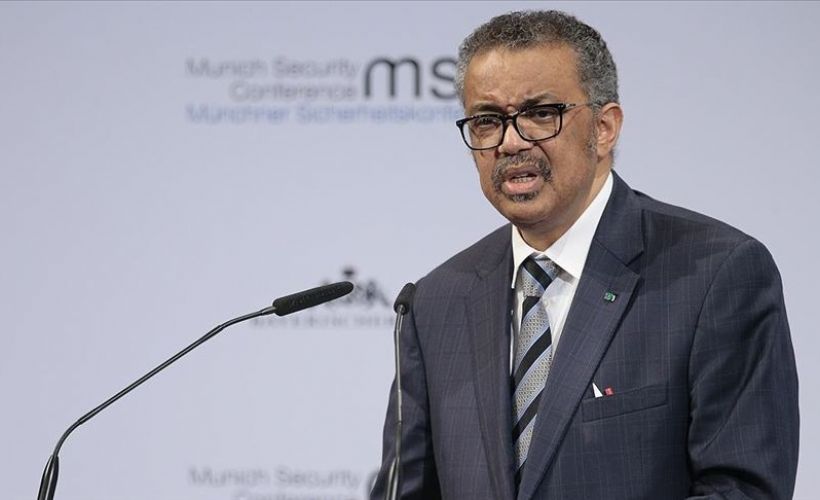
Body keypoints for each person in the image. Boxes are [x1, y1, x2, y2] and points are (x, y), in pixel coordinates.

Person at [370, 9, 799, 500]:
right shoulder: (436, 302)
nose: (511, 142)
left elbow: (743, 489)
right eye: (488, 121)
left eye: (540, 114)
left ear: (604, 127)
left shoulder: (715, 274)